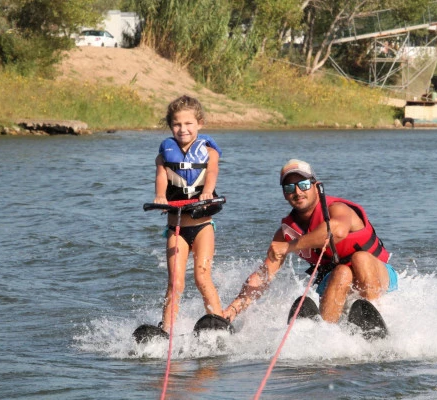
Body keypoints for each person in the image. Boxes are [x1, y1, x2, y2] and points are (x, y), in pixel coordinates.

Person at [222, 160, 398, 325]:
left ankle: (376, 318)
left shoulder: (338, 209)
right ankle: (326, 332)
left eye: (303, 185)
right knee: (342, 271)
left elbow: (337, 231)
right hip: (335, 282)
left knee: (360, 258)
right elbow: (264, 276)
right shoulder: (286, 233)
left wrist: (290, 247)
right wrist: (233, 309)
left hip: (378, 275)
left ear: (316, 186)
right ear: (284, 193)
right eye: (290, 187)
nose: (297, 192)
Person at [153, 95, 224, 333]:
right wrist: (160, 196)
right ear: (170, 125)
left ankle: (219, 320)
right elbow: (162, 176)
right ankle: (167, 329)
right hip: (177, 228)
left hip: (203, 226)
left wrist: (207, 192)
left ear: (200, 123)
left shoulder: (209, 152)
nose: (182, 129)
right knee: (175, 282)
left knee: (202, 277)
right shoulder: (165, 154)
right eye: (176, 124)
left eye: (188, 124)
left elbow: (211, 172)